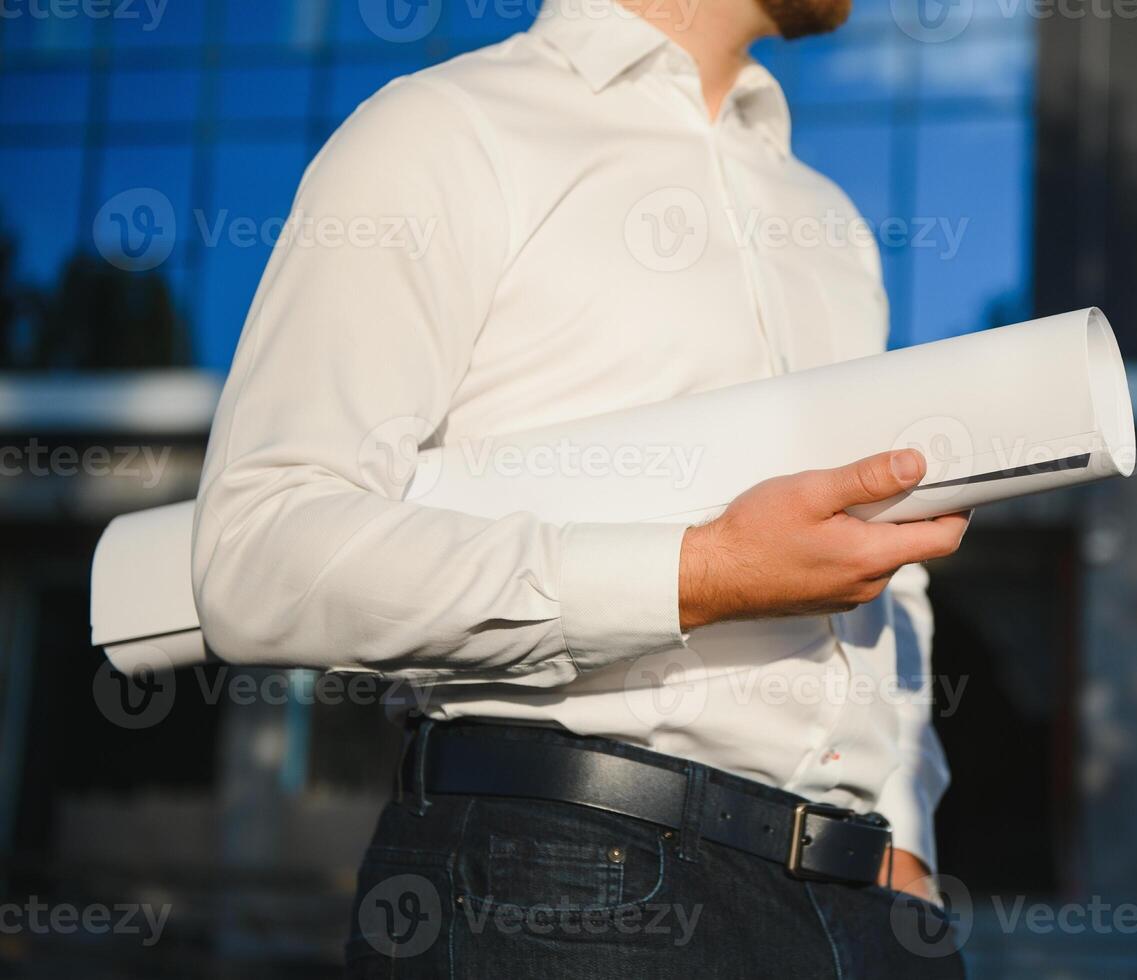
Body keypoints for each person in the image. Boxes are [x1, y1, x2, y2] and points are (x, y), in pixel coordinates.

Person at [191, 0, 970, 973]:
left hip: (861, 905)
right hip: (558, 884)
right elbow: (258, 553)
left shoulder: (831, 220)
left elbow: (884, 569)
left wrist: (905, 837)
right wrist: (704, 570)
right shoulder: (445, 129)